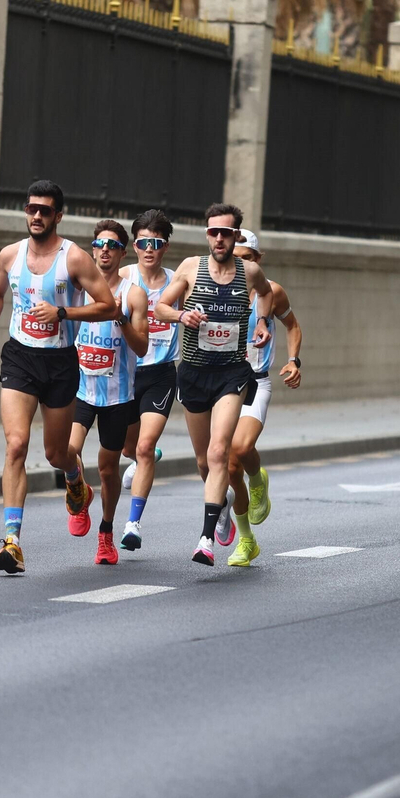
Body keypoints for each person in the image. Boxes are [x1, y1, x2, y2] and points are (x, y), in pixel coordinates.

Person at [0, 180, 119, 574]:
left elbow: (108, 305)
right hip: (20, 358)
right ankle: (12, 540)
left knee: (56, 453)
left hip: (59, 363)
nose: (36, 216)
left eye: (45, 210)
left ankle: (75, 480)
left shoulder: (73, 259)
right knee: (16, 445)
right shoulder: (10, 255)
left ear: (58, 215)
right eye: (31, 209)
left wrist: (63, 314)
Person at [152, 203, 273, 565]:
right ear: (207, 234)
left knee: (221, 452)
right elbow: (160, 307)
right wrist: (181, 314)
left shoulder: (249, 272)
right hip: (192, 373)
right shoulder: (192, 268)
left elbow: (266, 293)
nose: (219, 239)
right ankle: (220, 506)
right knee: (205, 463)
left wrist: (263, 322)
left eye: (226, 233)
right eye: (213, 232)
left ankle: (205, 539)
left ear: (236, 236)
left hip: (232, 375)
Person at [66, 220, 149, 564]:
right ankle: (78, 491)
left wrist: (120, 319)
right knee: (66, 451)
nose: (104, 250)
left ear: (122, 252)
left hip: (117, 397)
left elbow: (142, 347)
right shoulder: (76, 289)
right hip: (81, 390)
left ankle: (106, 532)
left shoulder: (133, 294)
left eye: (112, 245)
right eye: (98, 244)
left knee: (107, 468)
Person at [224, 229, 303, 567]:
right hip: (223, 386)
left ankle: (258, 479)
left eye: (247, 259)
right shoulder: (216, 291)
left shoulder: (271, 293)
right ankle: (246, 541)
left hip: (255, 383)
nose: (240, 265)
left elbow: (293, 327)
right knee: (227, 467)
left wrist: (293, 360)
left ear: (257, 260)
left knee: (241, 450)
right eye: (234, 258)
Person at [116, 209, 178, 552]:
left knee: (140, 448)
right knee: (129, 449)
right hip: (126, 374)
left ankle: (133, 524)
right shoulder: (124, 277)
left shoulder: (175, 281)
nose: (149, 249)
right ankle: (146, 456)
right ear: (135, 245)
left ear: (165, 247)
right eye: (142, 243)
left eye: (155, 243)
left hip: (161, 374)